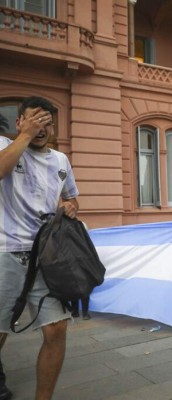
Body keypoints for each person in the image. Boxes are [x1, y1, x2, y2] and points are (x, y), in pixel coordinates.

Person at [0, 96, 79, 400]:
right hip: (6, 252)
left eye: (46, 122)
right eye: (34, 120)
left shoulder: (60, 160)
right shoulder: (6, 147)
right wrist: (25, 136)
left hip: (47, 258)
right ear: (19, 122)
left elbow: (71, 198)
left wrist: (70, 207)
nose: (41, 127)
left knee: (56, 330)